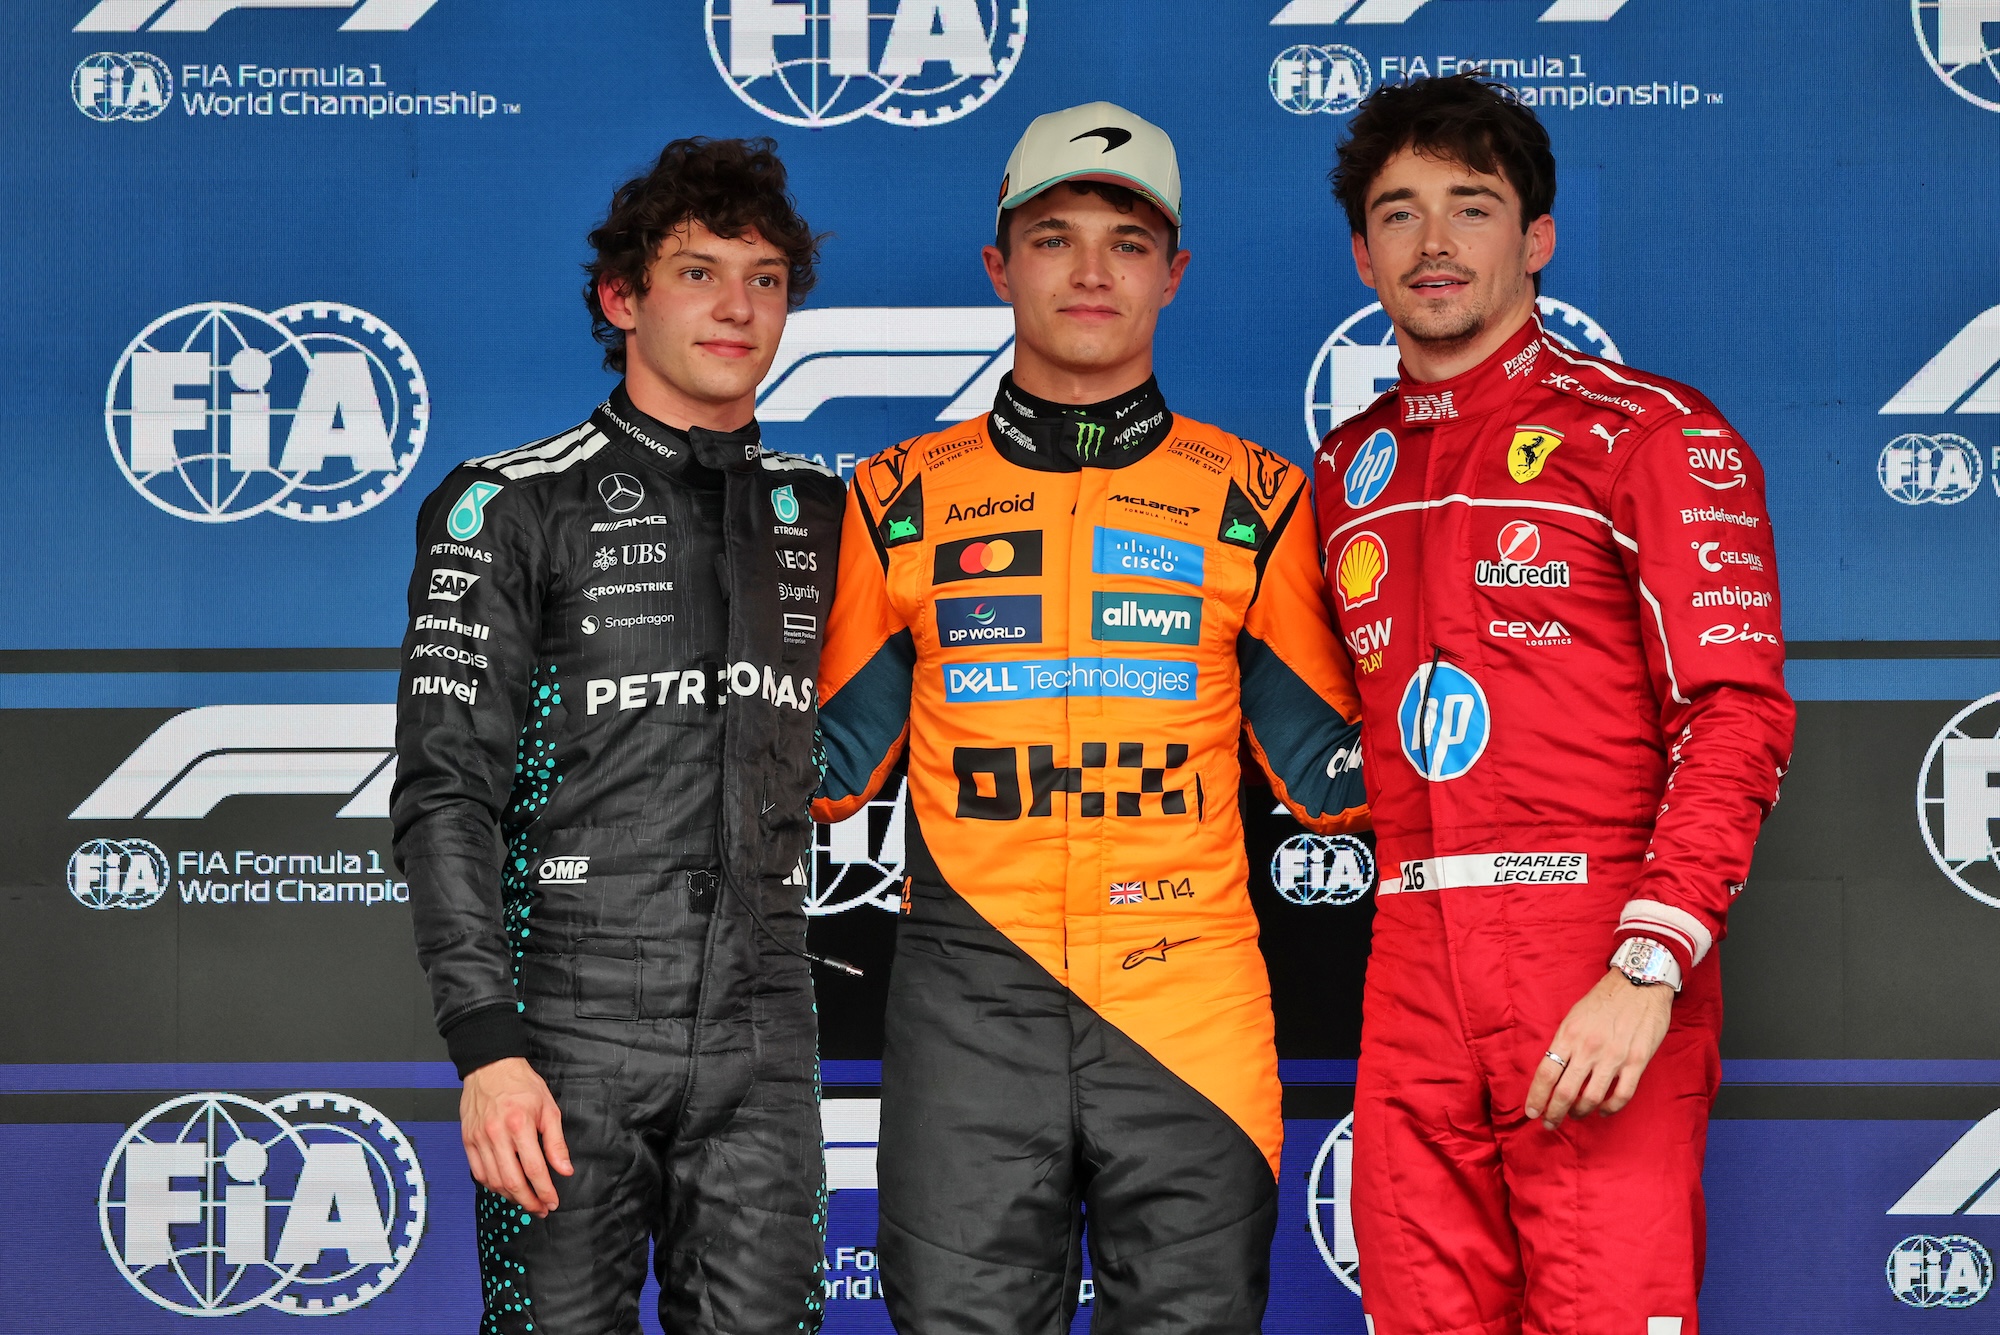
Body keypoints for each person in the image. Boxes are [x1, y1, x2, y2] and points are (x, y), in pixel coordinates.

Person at [812, 102, 1370, 1335]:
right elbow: (821, 764)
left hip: (1189, 1006)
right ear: (996, 266)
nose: (1087, 269)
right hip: (970, 1012)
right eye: (1053, 236)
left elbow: (1336, 771)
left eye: (1125, 241)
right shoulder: (894, 496)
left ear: (1172, 274)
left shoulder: (1260, 497)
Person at [1313, 74, 1794, 1334]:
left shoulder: (1649, 434)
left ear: (1533, 239)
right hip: (1409, 958)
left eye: (1469, 208)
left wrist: (1646, 964)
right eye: (1398, 213)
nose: (1432, 244)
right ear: (1361, 253)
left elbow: (1734, 714)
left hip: (1594, 947)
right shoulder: (1342, 468)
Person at [390, 137, 844, 1335]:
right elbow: (444, 794)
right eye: (697, 273)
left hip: (765, 1027)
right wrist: (486, 1048)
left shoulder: (832, 516)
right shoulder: (510, 502)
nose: (735, 306)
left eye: (763, 277)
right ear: (620, 298)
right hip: (562, 1030)